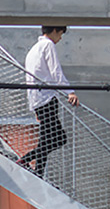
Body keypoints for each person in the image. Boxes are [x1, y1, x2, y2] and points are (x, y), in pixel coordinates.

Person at [21, 26, 80, 175]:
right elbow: (56, 71)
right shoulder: (48, 45)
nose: (60, 38)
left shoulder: (33, 49)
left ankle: (38, 173)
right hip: (47, 99)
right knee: (60, 138)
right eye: (60, 34)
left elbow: (29, 80)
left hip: (38, 100)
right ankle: (24, 160)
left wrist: (33, 106)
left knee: (46, 139)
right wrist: (70, 92)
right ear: (54, 30)